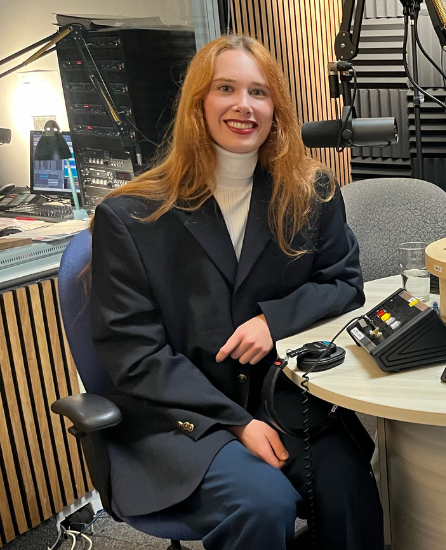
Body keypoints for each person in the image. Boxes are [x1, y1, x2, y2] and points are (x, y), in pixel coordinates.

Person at [89, 35, 383, 550]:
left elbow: (343, 283)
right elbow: (134, 356)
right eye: (226, 88)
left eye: (259, 92)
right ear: (199, 103)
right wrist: (237, 423)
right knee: (260, 502)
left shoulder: (309, 193)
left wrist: (275, 320)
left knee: (349, 487)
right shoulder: (130, 215)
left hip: (279, 400)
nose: (244, 105)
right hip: (185, 419)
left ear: (277, 110)